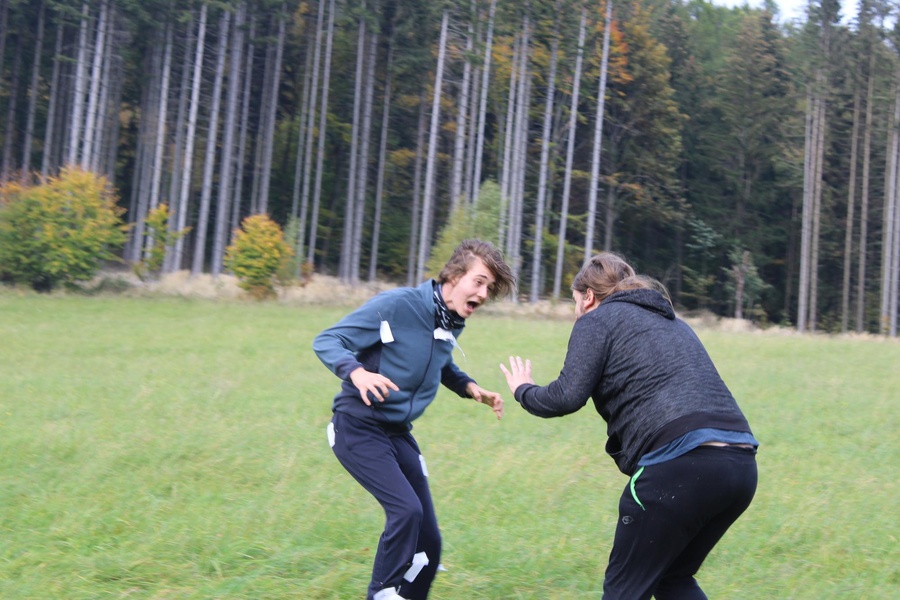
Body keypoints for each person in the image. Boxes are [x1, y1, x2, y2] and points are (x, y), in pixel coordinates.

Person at [499, 252, 758, 600]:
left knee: (624, 590)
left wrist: (523, 390)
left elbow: (565, 396)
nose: (576, 312)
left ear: (588, 296)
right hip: (740, 466)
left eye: (576, 303)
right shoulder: (676, 323)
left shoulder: (597, 320)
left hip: (681, 465)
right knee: (673, 578)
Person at [313, 239, 516, 600]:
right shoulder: (398, 304)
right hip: (357, 426)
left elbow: (438, 361)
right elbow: (329, 340)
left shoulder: (449, 319)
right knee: (406, 512)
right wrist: (357, 373)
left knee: (429, 544)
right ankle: (381, 593)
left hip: (397, 432)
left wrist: (470, 387)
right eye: (479, 282)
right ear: (453, 275)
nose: (484, 294)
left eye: (490, 288)